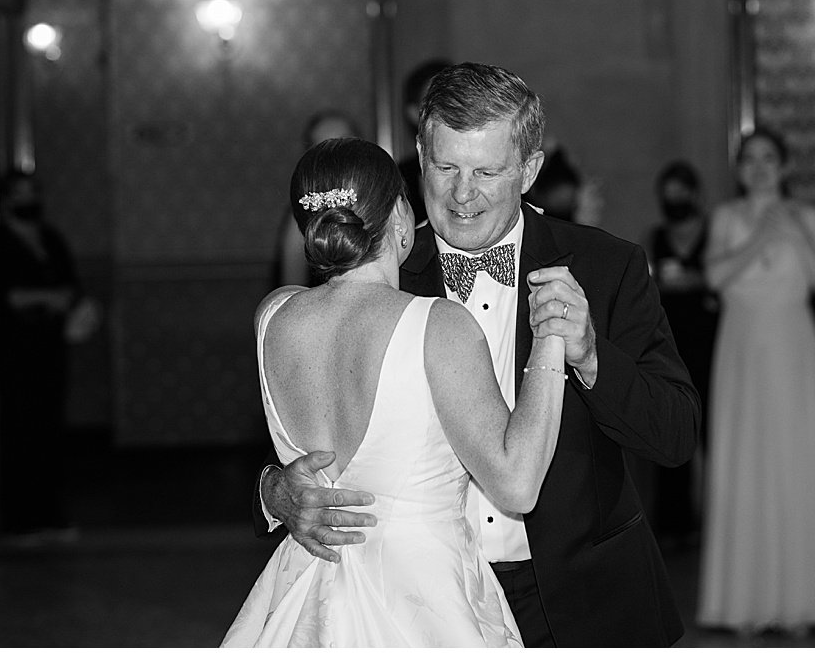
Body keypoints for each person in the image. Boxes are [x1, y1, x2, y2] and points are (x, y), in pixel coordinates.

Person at [256, 62, 699, 647]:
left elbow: (675, 433)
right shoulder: (378, 276)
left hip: (580, 600)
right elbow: (318, 434)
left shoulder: (604, 266)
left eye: (487, 171)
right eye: (445, 168)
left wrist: (591, 357)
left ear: (530, 170)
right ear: (419, 155)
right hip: (423, 605)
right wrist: (274, 491)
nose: (464, 195)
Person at [223, 137, 567, 646]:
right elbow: (517, 484)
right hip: (421, 600)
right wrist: (551, 339)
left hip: (309, 590)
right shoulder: (438, 326)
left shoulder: (273, 316)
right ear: (401, 217)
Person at [696, 127, 815, 636]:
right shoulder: (725, 218)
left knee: (795, 462)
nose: (760, 167)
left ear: (785, 167)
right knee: (746, 464)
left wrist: (797, 236)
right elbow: (714, 278)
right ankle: (745, 602)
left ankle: (802, 601)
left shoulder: (810, 218)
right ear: (740, 170)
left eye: (769, 158)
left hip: (794, 352)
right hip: (741, 353)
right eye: (751, 160)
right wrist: (761, 235)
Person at [0, 170, 84, 536]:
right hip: (16, 351)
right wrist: (43, 297)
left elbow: (72, 285)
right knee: (20, 431)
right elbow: (2, 294)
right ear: (7, 199)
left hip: (49, 348)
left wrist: (65, 303)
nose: (30, 201)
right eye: (21, 194)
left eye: (33, 192)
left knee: (49, 432)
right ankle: (21, 519)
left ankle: (50, 514)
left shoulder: (49, 238)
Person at [645, 160, 718, 548]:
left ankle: (719, 520)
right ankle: (674, 524)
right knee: (673, 428)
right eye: (667, 193)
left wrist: (700, 281)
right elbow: (647, 284)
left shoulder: (714, 234)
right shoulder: (656, 237)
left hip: (712, 344)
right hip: (670, 346)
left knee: (717, 432)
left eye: (680, 191)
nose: (674, 200)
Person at [272, 109, 359, 287]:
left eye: (345, 142)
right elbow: (292, 286)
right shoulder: (305, 209)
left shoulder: (384, 193)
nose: (337, 154)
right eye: (325, 146)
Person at [397, 58, 451, 225]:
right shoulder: (399, 178)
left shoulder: (495, 164)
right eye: (436, 104)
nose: (450, 111)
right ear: (414, 114)